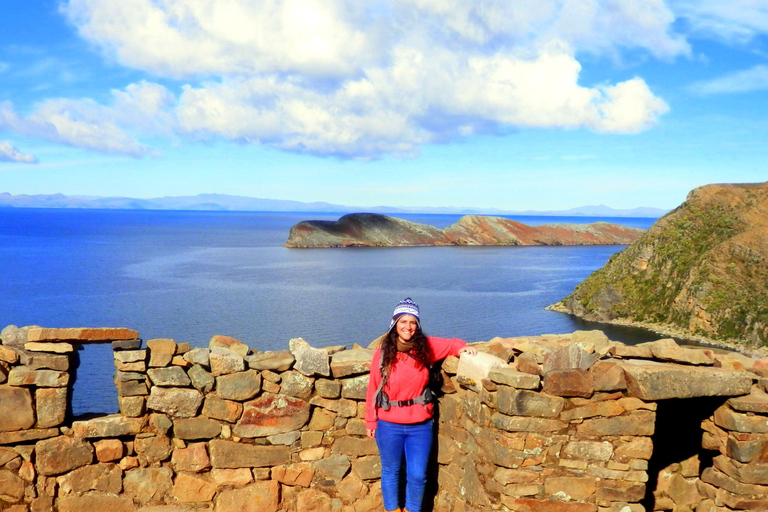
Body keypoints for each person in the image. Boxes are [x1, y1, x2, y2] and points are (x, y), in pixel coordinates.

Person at [365, 298, 477, 512]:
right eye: (403, 321)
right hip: (388, 423)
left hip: (420, 425)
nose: (408, 326)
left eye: (413, 322)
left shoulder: (425, 347)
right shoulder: (382, 353)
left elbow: (452, 344)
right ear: (394, 324)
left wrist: (463, 349)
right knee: (391, 471)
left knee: (417, 474)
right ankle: (392, 510)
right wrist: (370, 420)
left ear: (417, 325)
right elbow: (373, 388)